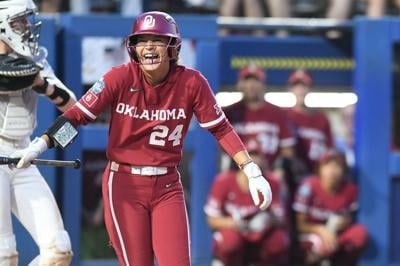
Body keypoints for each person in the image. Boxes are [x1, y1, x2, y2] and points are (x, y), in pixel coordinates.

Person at [11, 11, 273, 266]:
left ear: (173, 48)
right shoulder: (119, 76)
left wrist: (251, 169)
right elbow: (79, 116)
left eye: (157, 40)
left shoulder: (192, 83)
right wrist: (43, 142)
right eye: (141, 41)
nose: (148, 47)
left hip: (167, 184)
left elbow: (221, 128)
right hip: (124, 182)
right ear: (132, 47)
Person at [0, 0, 76, 265]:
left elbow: (73, 107)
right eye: (21, 21)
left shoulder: (35, 59)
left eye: (28, 19)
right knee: (5, 254)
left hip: (24, 153)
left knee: (58, 251)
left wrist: (41, 84)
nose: (28, 26)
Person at [205, 140, 289, 266]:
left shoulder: (271, 182)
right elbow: (211, 220)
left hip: (259, 235)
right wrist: (234, 223)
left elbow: (281, 218)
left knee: (279, 240)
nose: (253, 160)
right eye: (249, 155)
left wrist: (267, 219)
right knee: (230, 241)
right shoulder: (223, 181)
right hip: (234, 232)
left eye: (257, 155)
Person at [293, 150, 368, 265]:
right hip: (312, 234)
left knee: (359, 234)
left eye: (337, 165)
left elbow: (351, 219)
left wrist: (345, 222)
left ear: (344, 170)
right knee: (318, 245)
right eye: (328, 165)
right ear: (320, 169)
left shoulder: (350, 189)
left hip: (337, 237)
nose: (332, 170)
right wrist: (320, 230)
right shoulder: (308, 186)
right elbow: (299, 225)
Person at [223, 63, 296, 171]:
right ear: (240, 83)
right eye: (247, 80)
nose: (251, 85)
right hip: (237, 175)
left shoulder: (277, 113)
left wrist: (279, 170)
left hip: (269, 174)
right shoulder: (229, 113)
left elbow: (288, 150)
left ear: (263, 84)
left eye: (256, 80)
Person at [286, 69, 334, 180]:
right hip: (292, 176)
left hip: (318, 175)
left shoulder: (322, 118)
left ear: (310, 88)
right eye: (296, 86)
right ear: (291, 89)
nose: (300, 90)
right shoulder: (285, 116)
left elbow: (330, 148)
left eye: (304, 86)